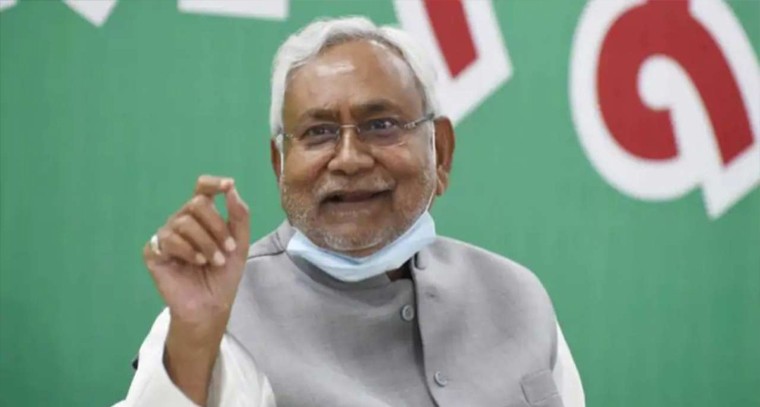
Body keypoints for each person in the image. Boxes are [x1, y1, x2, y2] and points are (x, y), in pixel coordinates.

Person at [114, 16, 584, 407]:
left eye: (381, 125)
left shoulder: (517, 298)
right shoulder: (219, 317)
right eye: (318, 133)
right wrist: (195, 340)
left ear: (440, 152)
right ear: (280, 165)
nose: (349, 159)